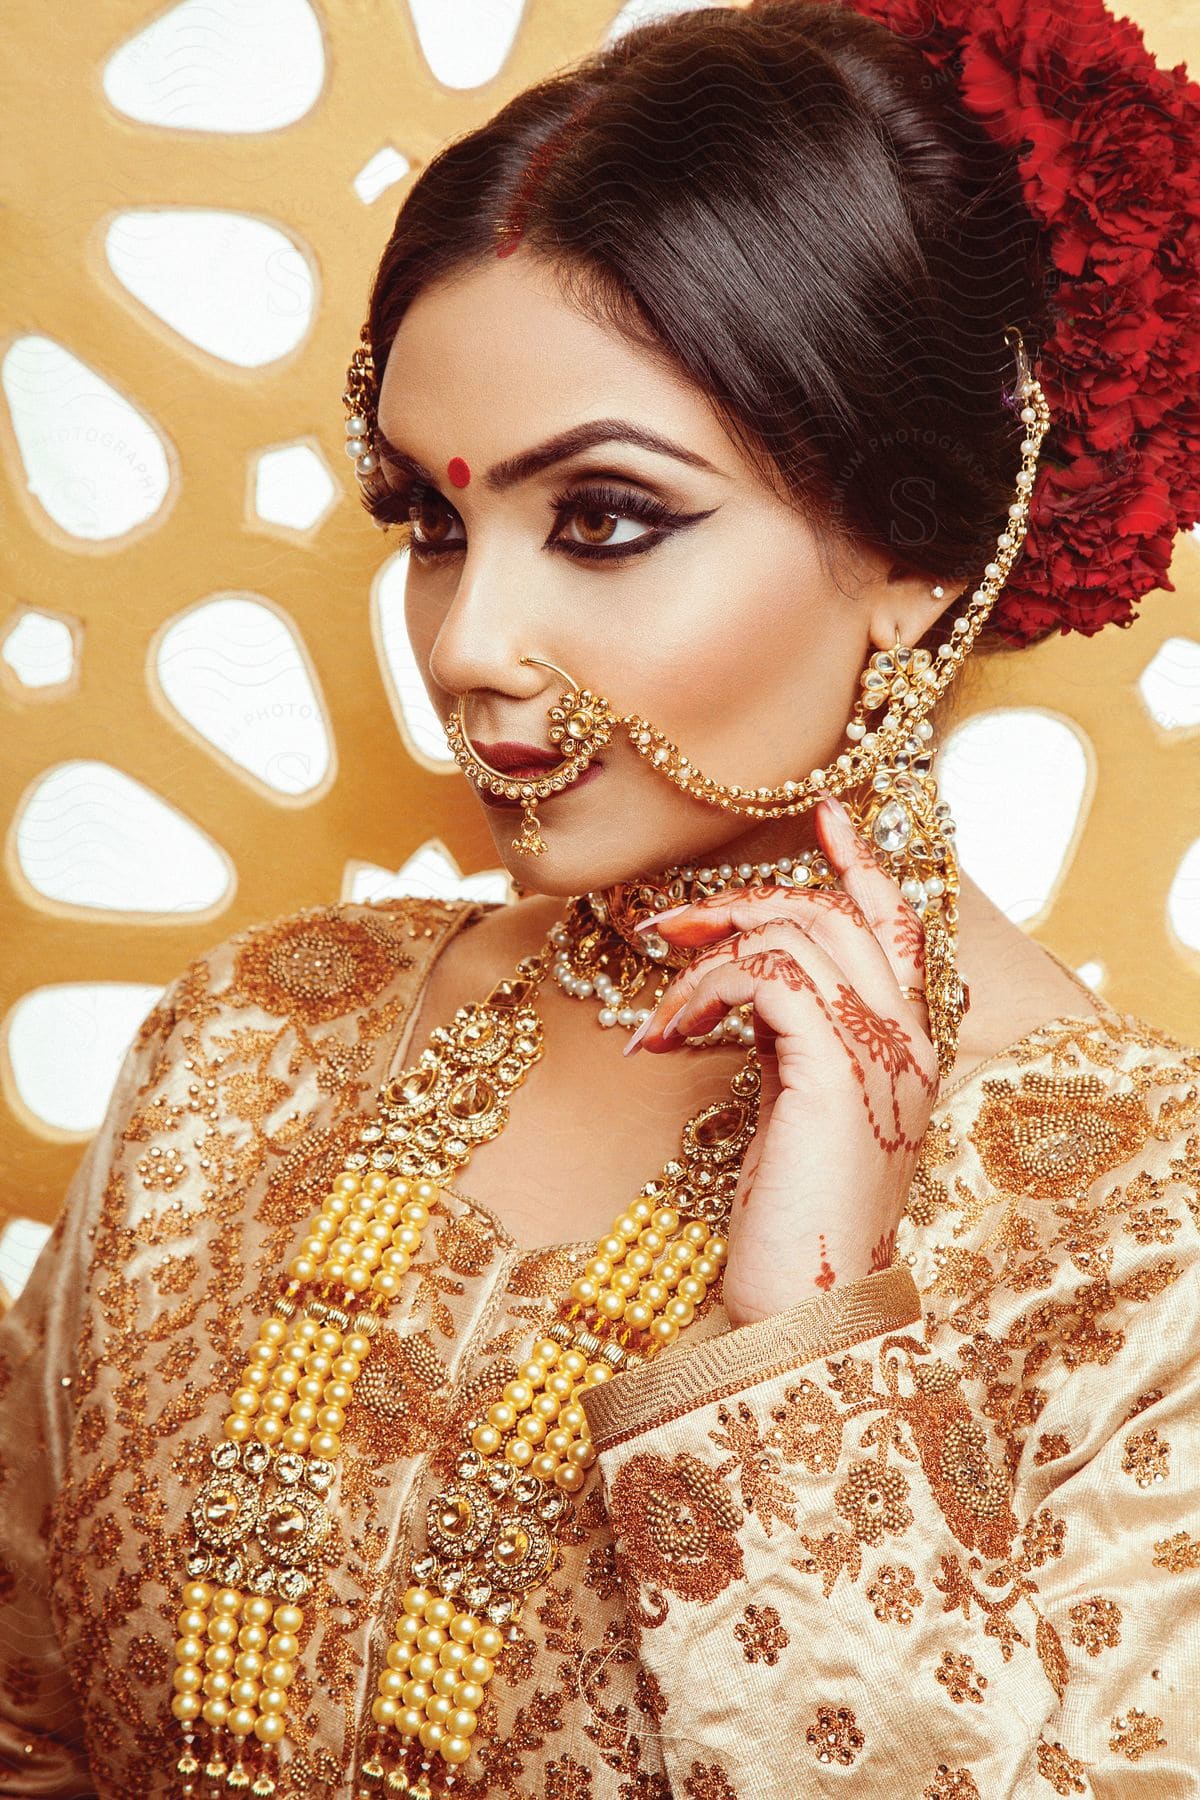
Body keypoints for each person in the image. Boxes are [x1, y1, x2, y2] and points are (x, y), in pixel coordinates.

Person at [2, 1, 1198, 1795]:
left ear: (919, 549)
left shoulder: (1136, 1238)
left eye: (609, 519)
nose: (470, 650)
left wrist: (805, 1333)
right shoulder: (256, 1042)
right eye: (428, 521)